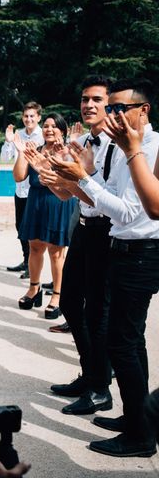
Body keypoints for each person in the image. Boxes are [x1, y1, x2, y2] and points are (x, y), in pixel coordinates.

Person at [51, 78, 159, 457]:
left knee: (123, 343)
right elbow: (104, 197)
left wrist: (83, 178)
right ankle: (137, 419)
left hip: (142, 251)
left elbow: (130, 210)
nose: (111, 115)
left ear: (142, 110)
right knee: (128, 340)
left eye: (117, 108)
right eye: (108, 108)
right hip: (122, 247)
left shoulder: (152, 148)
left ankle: (140, 435)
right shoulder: (122, 146)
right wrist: (70, 179)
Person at [44, 76, 116, 415]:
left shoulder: (117, 147)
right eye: (85, 99)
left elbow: (107, 201)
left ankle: (100, 387)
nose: (88, 105)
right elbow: (68, 193)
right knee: (71, 303)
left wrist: (73, 177)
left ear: (110, 104)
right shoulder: (83, 141)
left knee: (97, 312)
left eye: (96, 99)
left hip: (107, 231)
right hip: (85, 229)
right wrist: (52, 176)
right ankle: (90, 375)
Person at [13, 113, 76, 319]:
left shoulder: (67, 152)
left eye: (54, 126)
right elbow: (19, 176)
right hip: (36, 201)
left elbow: (65, 179)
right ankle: (34, 289)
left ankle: (57, 295)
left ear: (62, 131)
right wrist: (22, 152)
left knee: (56, 252)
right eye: (46, 126)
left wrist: (56, 157)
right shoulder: (35, 151)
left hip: (58, 202)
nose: (49, 129)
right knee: (35, 247)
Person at [1, 102, 44, 279]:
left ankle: (33, 266)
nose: (29, 119)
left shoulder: (43, 135)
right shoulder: (17, 134)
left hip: (35, 189)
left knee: (34, 230)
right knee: (21, 227)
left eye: (32, 116)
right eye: (26, 116)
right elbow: (5, 158)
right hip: (20, 190)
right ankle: (26, 261)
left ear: (38, 117)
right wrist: (8, 142)